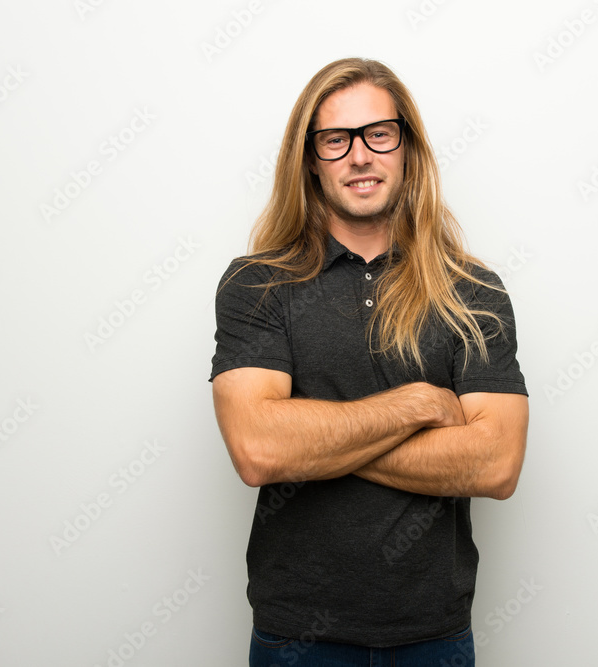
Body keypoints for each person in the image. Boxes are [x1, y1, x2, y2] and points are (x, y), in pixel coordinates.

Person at [210, 57, 529, 666]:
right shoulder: (258, 286)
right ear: (309, 157)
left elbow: (496, 464)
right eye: (336, 139)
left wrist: (318, 442)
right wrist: (419, 404)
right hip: (298, 638)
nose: (360, 156)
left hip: (434, 635)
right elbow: (259, 450)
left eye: (378, 133)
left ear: (406, 147)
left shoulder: (471, 290)